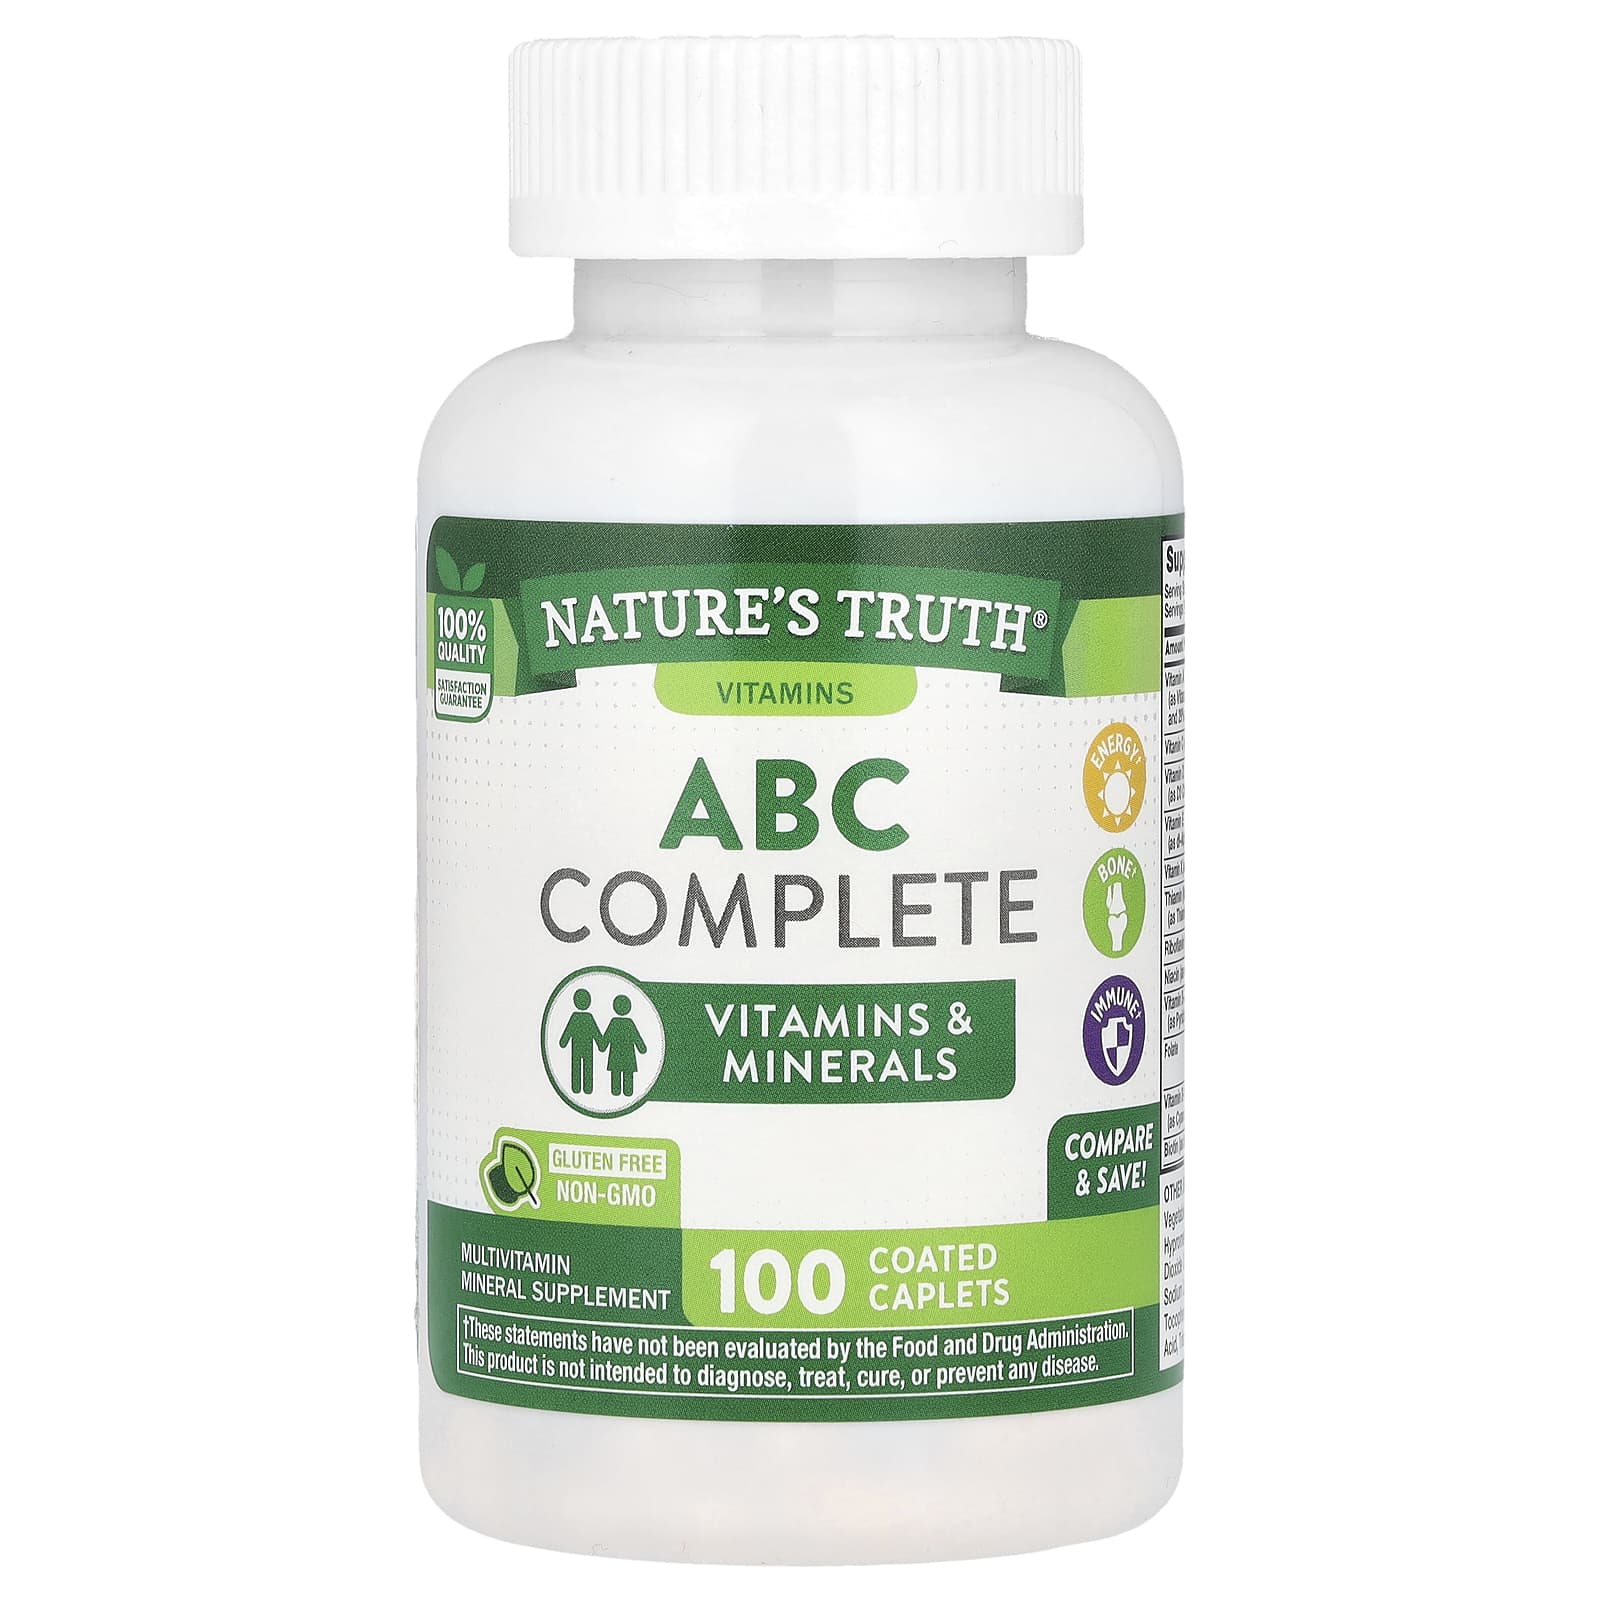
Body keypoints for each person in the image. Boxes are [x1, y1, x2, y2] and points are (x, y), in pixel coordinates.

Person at [558, 988, 604, 1095]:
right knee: (587, 1066)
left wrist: (563, 1042)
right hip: (587, 1049)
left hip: (577, 1049)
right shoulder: (588, 1018)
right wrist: (601, 1044)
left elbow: (567, 1033)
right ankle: (587, 1088)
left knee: (577, 1065)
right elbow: (596, 1033)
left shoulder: (576, 1018)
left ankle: (576, 1087)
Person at [601, 994, 648, 1097]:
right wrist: (642, 1048)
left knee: (616, 1074)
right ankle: (627, 1091)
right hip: (628, 1057)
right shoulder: (629, 1023)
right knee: (627, 1073)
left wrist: (602, 1046)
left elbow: (605, 1040)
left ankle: (616, 1091)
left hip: (615, 1056)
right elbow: (637, 1038)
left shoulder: (614, 1023)